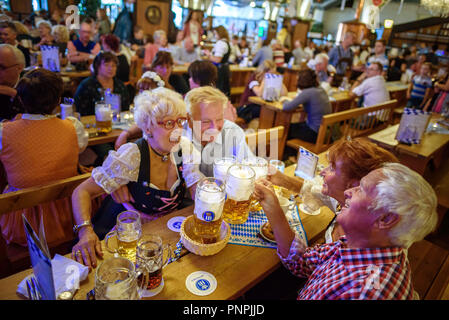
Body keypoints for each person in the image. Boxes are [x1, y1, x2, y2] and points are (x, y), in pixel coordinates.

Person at [255, 162, 438, 299]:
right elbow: (303, 262)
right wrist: (272, 205)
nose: (349, 192)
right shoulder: (362, 246)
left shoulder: (363, 292)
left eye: (362, 189)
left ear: (386, 219)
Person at [71, 88, 202, 268]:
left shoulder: (184, 148)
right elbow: (82, 191)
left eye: (180, 121)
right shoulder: (132, 155)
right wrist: (85, 231)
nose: (178, 130)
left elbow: (196, 186)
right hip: (131, 231)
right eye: (169, 123)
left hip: (167, 228)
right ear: (148, 127)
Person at [0, 68, 88, 247]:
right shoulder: (73, 127)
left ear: (21, 99)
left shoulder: (4, 132)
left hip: (22, 224)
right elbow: (80, 147)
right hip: (69, 216)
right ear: (58, 101)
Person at [267, 137, 398, 243]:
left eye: (332, 168)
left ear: (355, 184)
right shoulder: (347, 203)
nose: (322, 172)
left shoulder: (357, 238)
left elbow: (301, 261)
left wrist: (271, 206)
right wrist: (281, 179)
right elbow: (314, 190)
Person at [184, 86, 254, 177]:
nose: (214, 127)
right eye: (206, 121)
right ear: (189, 120)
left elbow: (248, 168)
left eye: (219, 119)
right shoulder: (177, 136)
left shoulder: (233, 132)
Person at [282, 68, 332, 143]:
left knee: (286, 127)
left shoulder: (308, 92)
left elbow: (286, 107)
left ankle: (286, 152)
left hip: (314, 133)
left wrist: (284, 100)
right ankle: (291, 152)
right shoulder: (320, 89)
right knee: (294, 126)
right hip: (325, 131)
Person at [74, 51, 130, 116]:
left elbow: (126, 109)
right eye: (106, 65)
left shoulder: (120, 85)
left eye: (113, 65)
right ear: (98, 66)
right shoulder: (86, 86)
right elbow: (81, 111)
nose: (110, 68)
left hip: (119, 122)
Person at [237, 60, 288, 124]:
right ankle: (266, 130)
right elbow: (259, 93)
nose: (272, 76)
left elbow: (285, 94)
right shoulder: (254, 78)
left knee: (274, 112)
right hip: (247, 107)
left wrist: (279, 80)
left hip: (260, 105)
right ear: (263, 71)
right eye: (271, 73)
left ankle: (272, 130)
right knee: (268, 112)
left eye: (274, 73)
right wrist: (265, 79)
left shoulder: (271, 78)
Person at [0, 44, 25, 120]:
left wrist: (14, 94)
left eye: (1, 67)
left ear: (19, 68)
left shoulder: (31, 83)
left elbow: (36, 114)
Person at [205, 25, 231, 97]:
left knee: (219, 91)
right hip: (224, 69)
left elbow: (217, 60)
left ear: (219, 33)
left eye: (215, 34)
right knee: (224, 90)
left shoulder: (221, 43)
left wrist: (209, 55)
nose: (215, 36)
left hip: (219, 70)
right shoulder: (226, 42)